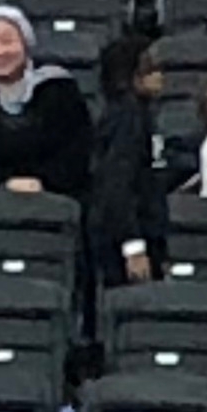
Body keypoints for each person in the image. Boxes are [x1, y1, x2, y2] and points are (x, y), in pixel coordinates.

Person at [0, 4, 91, 204]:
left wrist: (41, 182)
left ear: (25, 43)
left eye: (7, 41)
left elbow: (76, 154)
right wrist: (4, 183)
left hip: (54, 198)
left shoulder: (58, 88)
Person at [87, 34, 168, 295]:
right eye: (151, 69)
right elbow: (117, 183)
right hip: (124, 243)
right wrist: (133, 247)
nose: (160, 76)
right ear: (131, 76)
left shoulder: (138, 114)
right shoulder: (128, 119)